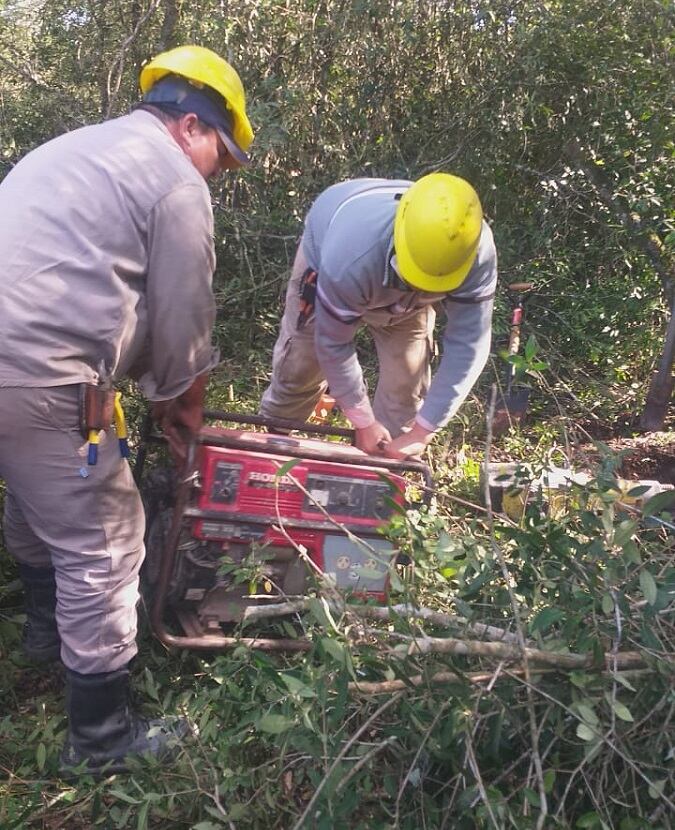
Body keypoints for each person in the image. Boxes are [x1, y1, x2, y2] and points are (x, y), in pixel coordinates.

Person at [0, 44, 253, 775]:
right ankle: (102, 738)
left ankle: (45, 634)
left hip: (22, 378)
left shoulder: (78, 149)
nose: (217, 174)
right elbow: (181, 321)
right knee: (107, 541)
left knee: (36, 492)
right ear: (194, 126)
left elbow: (92, 282)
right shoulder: (174, 179)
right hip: (42, 377)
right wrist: (183, 408)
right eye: (221, 157)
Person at [260, 174, 498, 458]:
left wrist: (422, 431)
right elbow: (333, 344)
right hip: (338, 255)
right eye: (416, 281)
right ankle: (273, 446)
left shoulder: (476, 252)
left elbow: (470, 344)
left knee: (405, 384)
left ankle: (385, 470)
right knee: (301, 363)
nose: (420, 289)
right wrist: (362, 419)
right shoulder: (350, 254)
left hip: (402, 299)